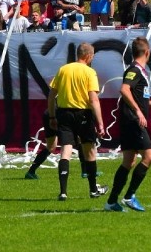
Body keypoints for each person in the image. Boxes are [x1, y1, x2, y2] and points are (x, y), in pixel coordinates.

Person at [104, 37, 151, 212]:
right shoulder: (134, 70)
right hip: (133, 121)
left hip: (130, 120)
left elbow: (138, 98)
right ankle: (129, 196)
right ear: (147, 53)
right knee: (149, 158)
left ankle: (111, 202)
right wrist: (138, 112)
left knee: (129, 161)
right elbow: (124, 90)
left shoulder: (140, 72)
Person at [48, 42, 107, 201]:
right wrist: (100, 122)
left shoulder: (63, 69)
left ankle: (63, 191)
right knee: (90, 151)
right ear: (88, 56)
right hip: (83, 114)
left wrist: (52, 116)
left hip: (64, 113)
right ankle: (93, 189)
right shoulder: (89, 72)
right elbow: (93, 99)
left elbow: (52, 94)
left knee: (65, 151)